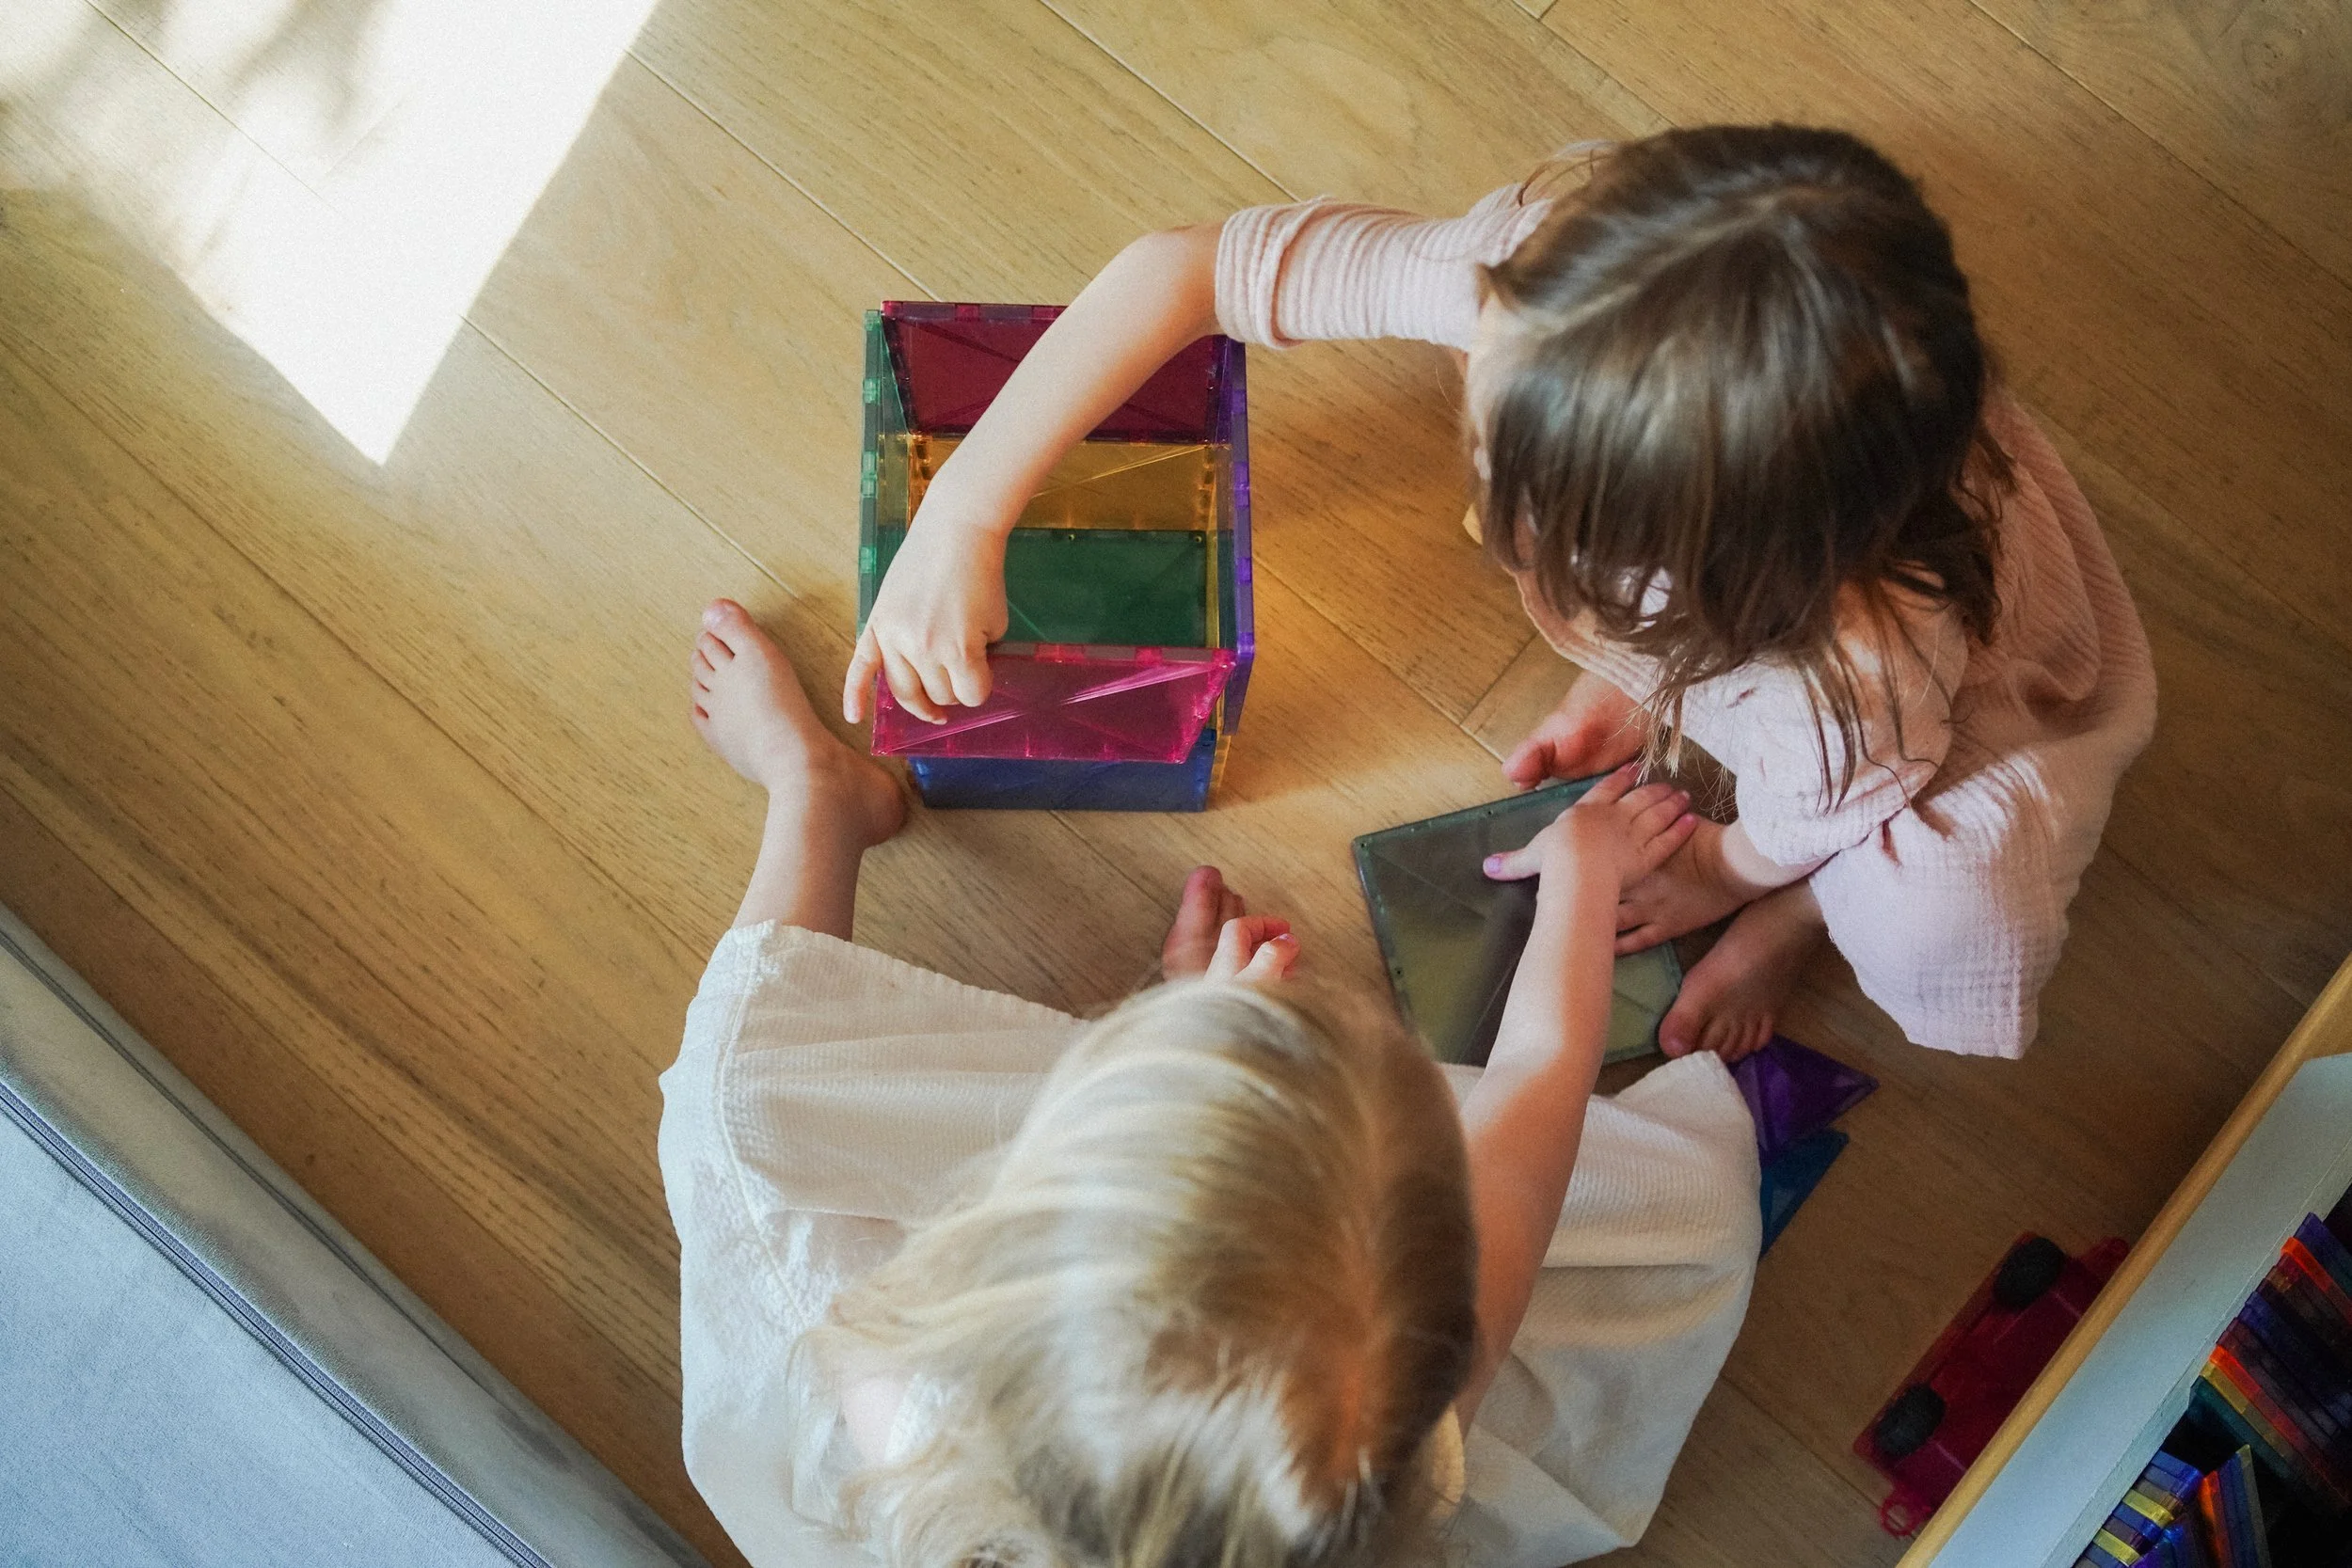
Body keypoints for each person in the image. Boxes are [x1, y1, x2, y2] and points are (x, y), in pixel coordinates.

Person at [846, 125, 2157, 1063]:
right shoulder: (1543, 277)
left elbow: (1817, 805)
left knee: (1936, 915)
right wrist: (964, 512)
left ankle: (1806, 924)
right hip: (1775, 576)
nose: (1476, 489)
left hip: (1929, 744)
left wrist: (1718, 869)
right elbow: (1193, 267)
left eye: (1521, 496)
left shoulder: (1848, 683)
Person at [664, 598, 1760, 1568]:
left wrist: (1192, 1030)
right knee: (1683, 1203)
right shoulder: (1400, 1411)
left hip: (922, 1433)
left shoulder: (870, 1375)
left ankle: (817, 797)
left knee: (735, 1102)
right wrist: (1583, 870)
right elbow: (1539, 1066)